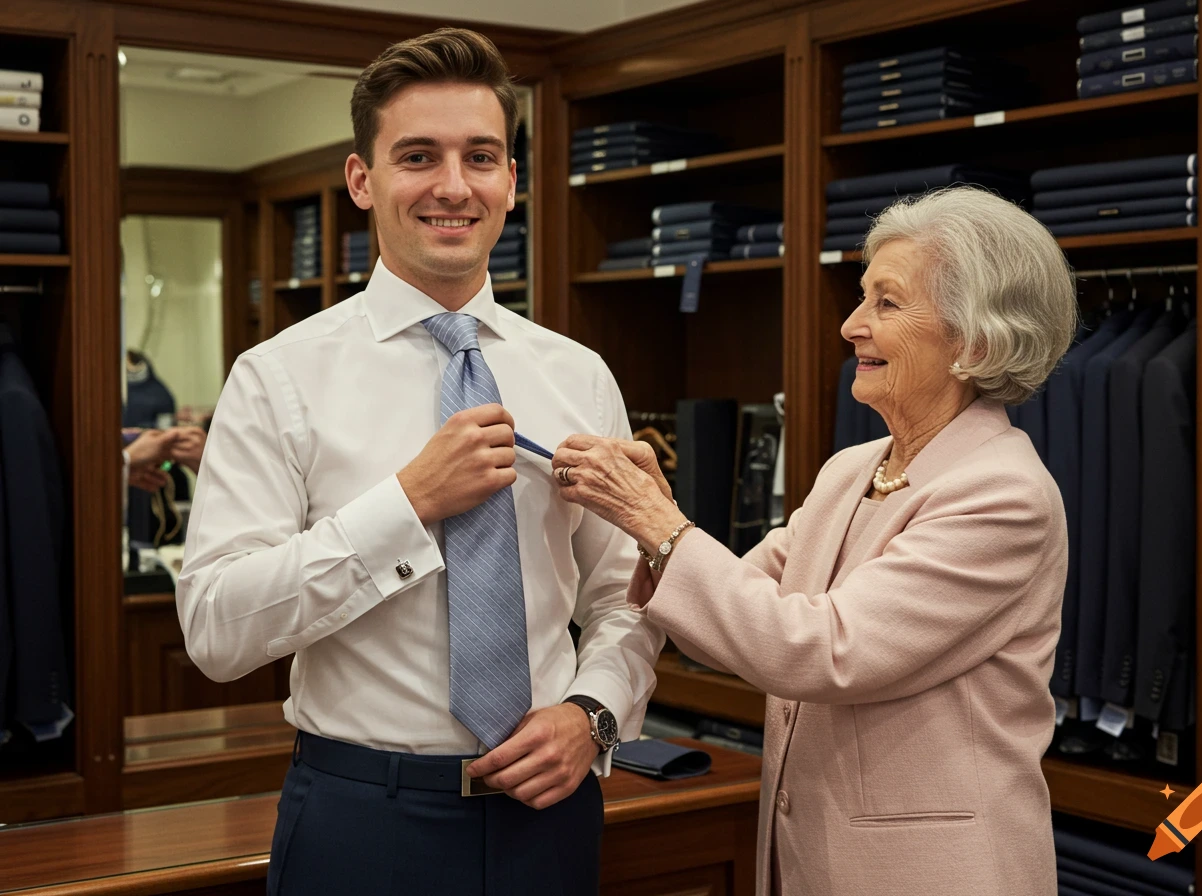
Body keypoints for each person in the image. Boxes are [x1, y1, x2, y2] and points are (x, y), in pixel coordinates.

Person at [174, 27, 663, 896]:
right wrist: (405, 505)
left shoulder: (578, 375)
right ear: (363, 180)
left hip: (549, 822)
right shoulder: (278, 378)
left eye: (481, 156)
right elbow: (216, 629)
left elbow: (625, 594)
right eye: (417, 156)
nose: (452, 186)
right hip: (362, 823)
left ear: (511, 180)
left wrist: (595, 713)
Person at [551, 185, 1078, 896]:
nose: (851, 325)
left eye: (886, 303)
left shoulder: (1004, 496)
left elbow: (822, 650)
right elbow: (730, 623)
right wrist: (654, 521)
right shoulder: (852, 471)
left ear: (974, 340)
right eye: (862, 298)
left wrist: (659, 524)